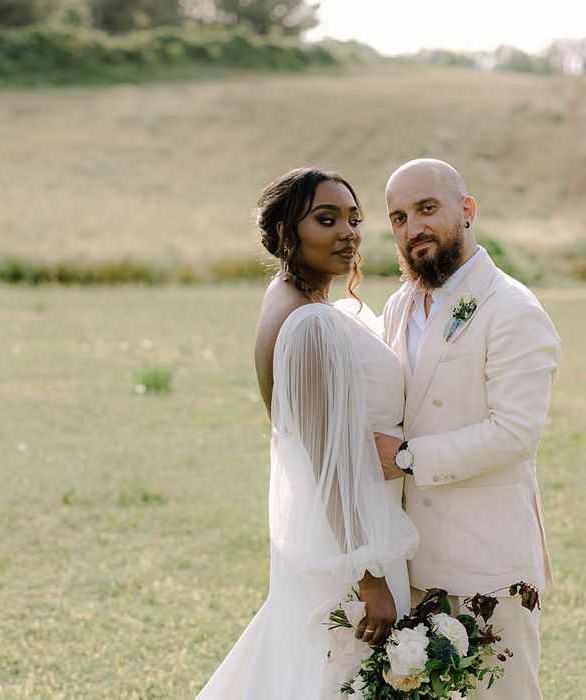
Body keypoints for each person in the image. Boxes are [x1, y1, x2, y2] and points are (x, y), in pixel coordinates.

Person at [195, 168, 418, 699]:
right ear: (285, 233)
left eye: (354, 219)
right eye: (327, 219)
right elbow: (329, 460)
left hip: (339, 529)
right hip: (355, 535)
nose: (349, 233)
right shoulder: (313, 325)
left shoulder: (288, 298)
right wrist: (370, 580)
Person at [375, 158, 561, 699]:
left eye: (427, 209)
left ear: (467, 209)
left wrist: (407, 457)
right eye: (399, 217)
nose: (413, 229)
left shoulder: (513, 308)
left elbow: (514, 432)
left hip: (487, 563)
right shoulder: (398, 305)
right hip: (413, 558)